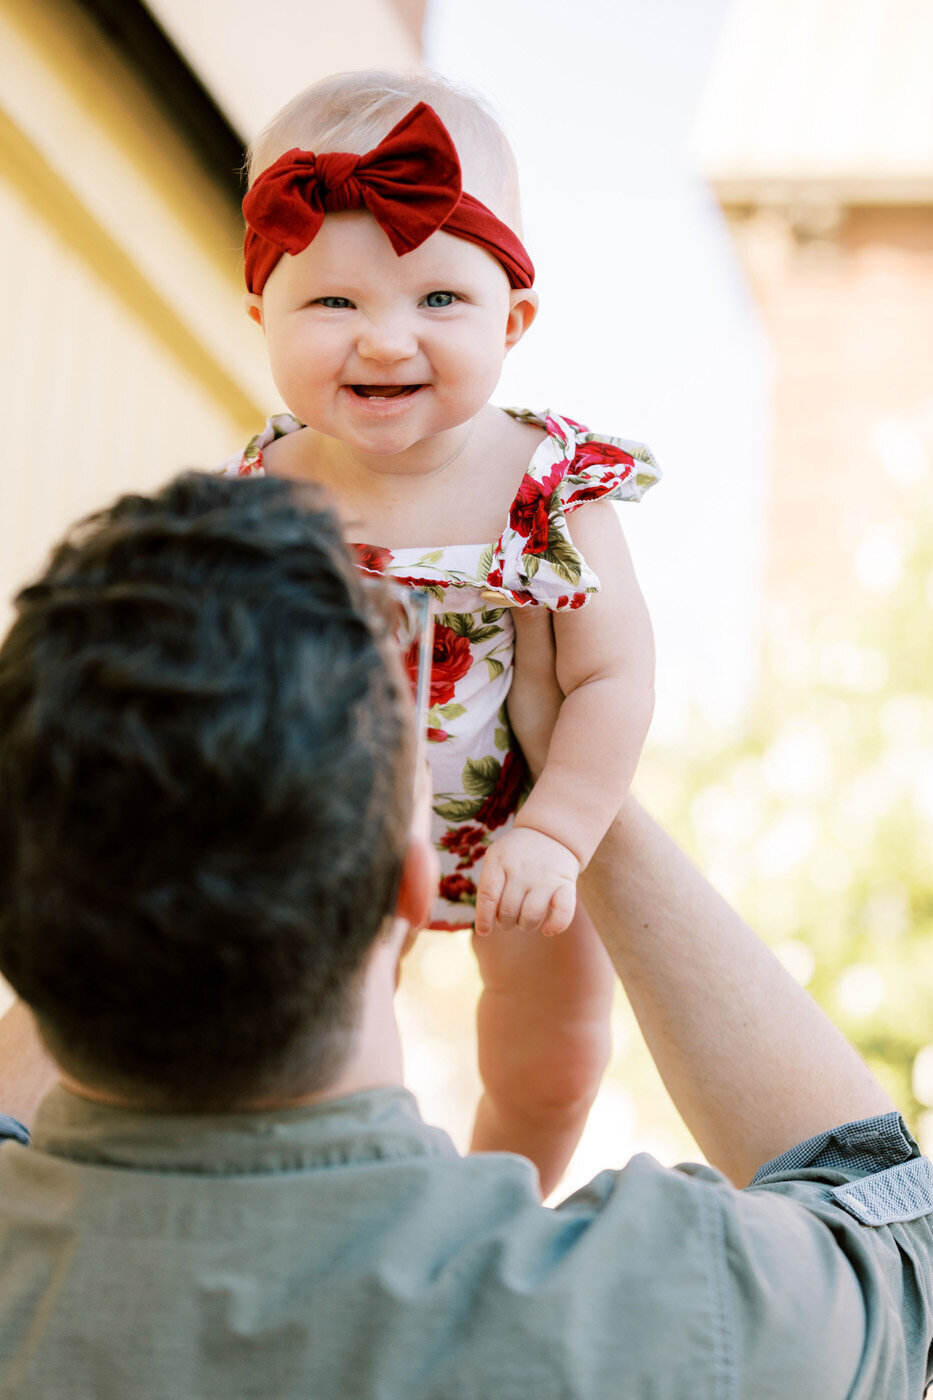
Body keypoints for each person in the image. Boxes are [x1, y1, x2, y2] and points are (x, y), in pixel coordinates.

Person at [0, 472, 932, 1400]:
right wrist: (572, 800)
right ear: (413, 878)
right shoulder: (662, 1313)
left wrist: (104, 849)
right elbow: (889, 1226)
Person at [220, 69, 661, 1193]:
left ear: (513, 319)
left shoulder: (550, 482)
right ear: (261, 308)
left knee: (554, 1055)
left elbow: (613, 672)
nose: (384, 340)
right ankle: (331, 1197)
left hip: (520, 820)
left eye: (437, 302)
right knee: (309, 1043)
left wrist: (559, 832)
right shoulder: (263, 492)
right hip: (339, 832)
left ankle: (500, 1202)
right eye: (333, 303)